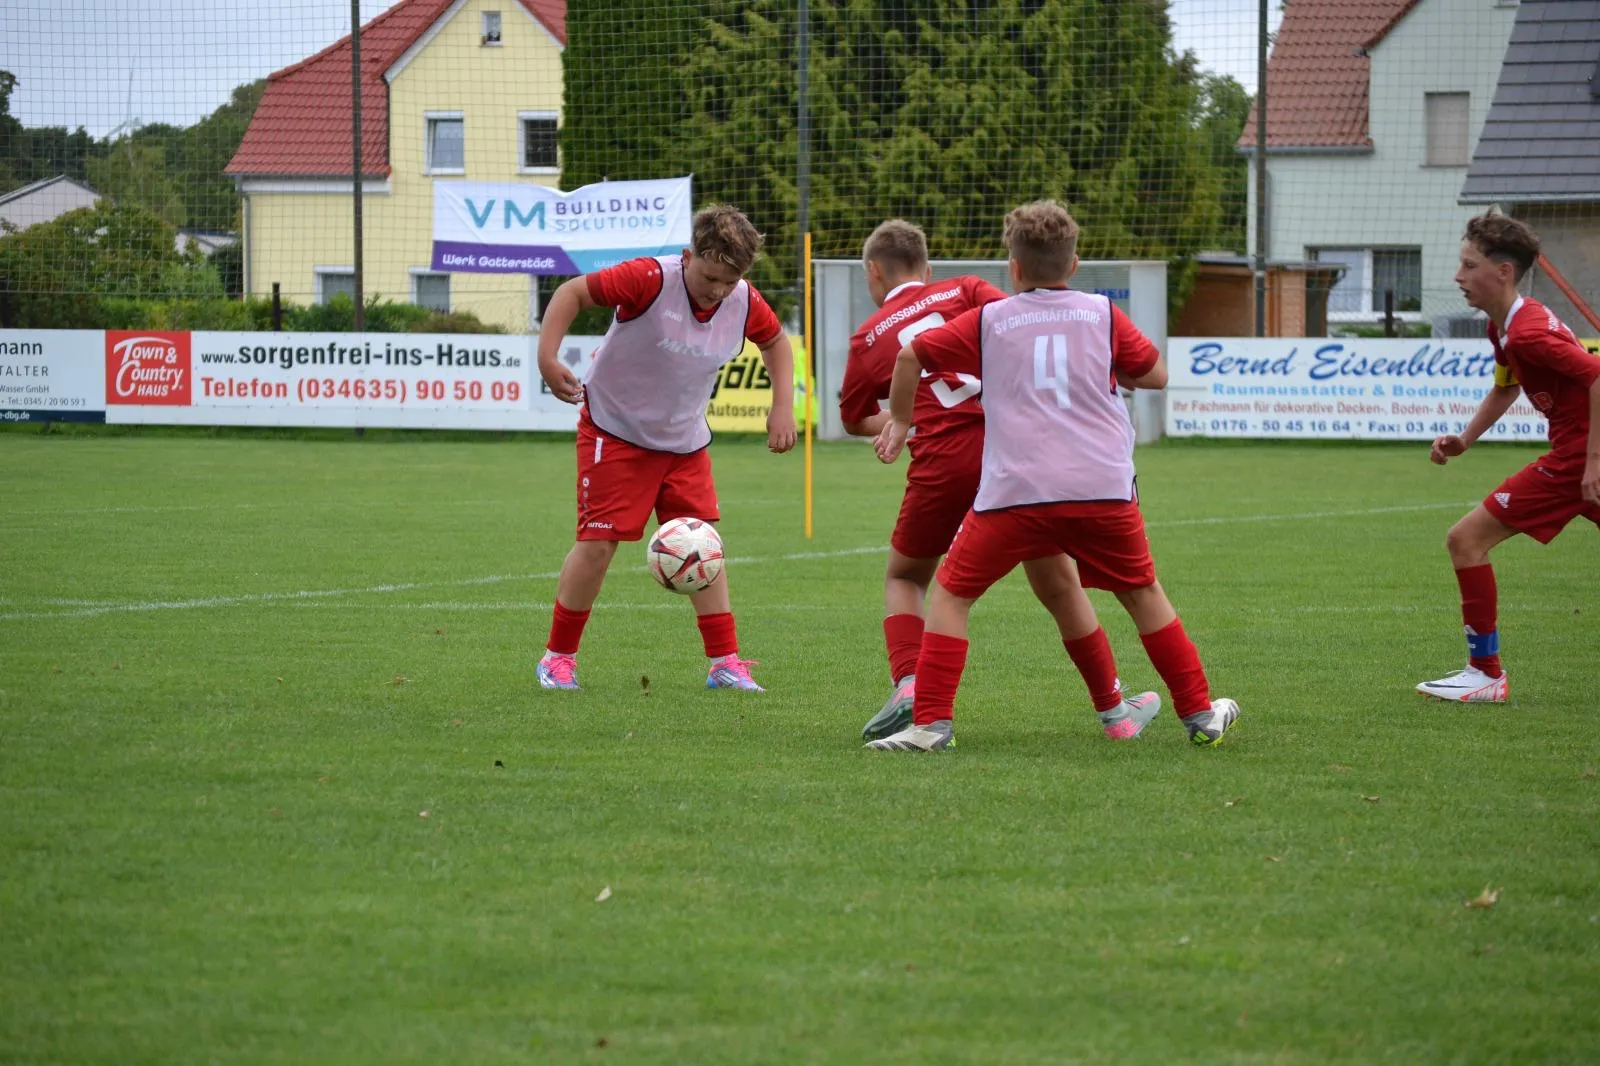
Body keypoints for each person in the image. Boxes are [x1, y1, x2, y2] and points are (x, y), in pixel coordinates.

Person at [866, 200, 1241, 751]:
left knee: (949, 595)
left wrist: (900, 422)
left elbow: (909, 357)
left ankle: (931, 726)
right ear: (1075, 264)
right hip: (1102, 488)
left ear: (1013, 267)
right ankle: (1200, 714)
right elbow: (1156, 376)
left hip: (1016, 492)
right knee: (1142, 593)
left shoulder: (992, 319)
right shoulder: (1102, 314)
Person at [533, 204, 797, 692]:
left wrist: (783, 405)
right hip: (614, 430)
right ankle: (558, 658)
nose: (718, 290)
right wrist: (547, 358)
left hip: (684, 442)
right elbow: (572, 293)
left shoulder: (743, 299)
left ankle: (725, 663)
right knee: (598, 545)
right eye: (710, 277)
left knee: (704, 546)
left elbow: (776, 343)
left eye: (730, 281)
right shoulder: (648, 279)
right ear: (687, 257)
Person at [1417, 213, 1600, 702]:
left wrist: (1592, 461)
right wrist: (1465, 440)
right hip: (1578, 456)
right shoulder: (1506, 328)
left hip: (1576, 460)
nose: (1458, 276)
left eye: (1468, 265)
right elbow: (1506, 387)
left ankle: (1486, 673)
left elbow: (1597, 375)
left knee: (1465, 539)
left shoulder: (1527, 333)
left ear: (1503, 272)